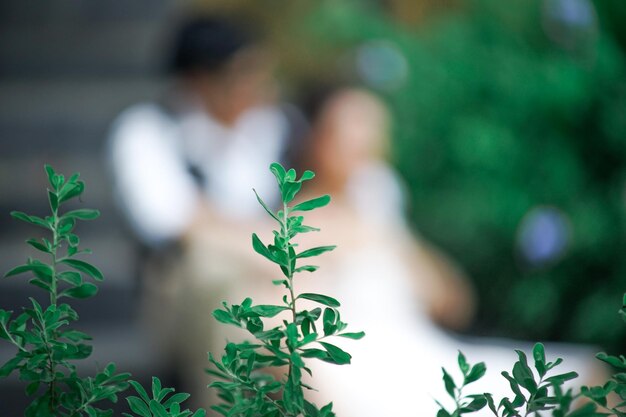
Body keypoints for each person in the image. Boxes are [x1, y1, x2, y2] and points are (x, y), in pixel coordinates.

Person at [106, 15, 297, 408]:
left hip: (272, 280)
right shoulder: (147, 130)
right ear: (199, 80)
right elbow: (175, 222)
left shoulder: (275, 127)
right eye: (244, 75)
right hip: (182, 295)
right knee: (215, 274)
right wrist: (259, 247)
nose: (259, 87)